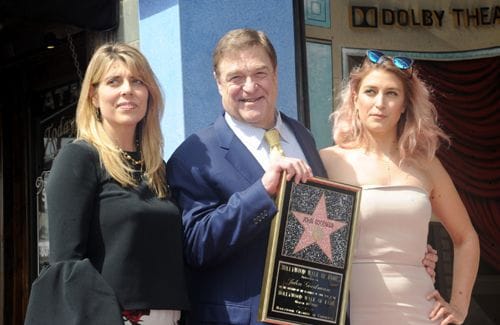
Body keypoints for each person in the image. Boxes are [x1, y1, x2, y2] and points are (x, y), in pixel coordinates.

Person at [167, 29, 437, 324]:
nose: (250, 86)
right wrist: (262, 191)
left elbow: (326, 225)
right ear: (218, 83)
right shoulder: (195, 154)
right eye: (235, 77)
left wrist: (408, 249)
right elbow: (195, 246)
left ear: (276, 74)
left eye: (260, 73)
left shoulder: (303, 138)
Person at [24, 43, 190, 325]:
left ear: (149, 94)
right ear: (93, 96)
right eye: (114, 81)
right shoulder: (78, 158)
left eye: (137, 81)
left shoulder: (157, 168)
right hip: (111, 317)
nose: (127, 90)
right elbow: (67, 266)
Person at [320, 49, 480, 325]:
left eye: (392, 93)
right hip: (348, 311)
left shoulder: (427, 165)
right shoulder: (327, 161)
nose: (380, 103)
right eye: (371, 91)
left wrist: (459, 307)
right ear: (355, 99)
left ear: (405, 105)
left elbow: (466, 238)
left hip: (419, 310)